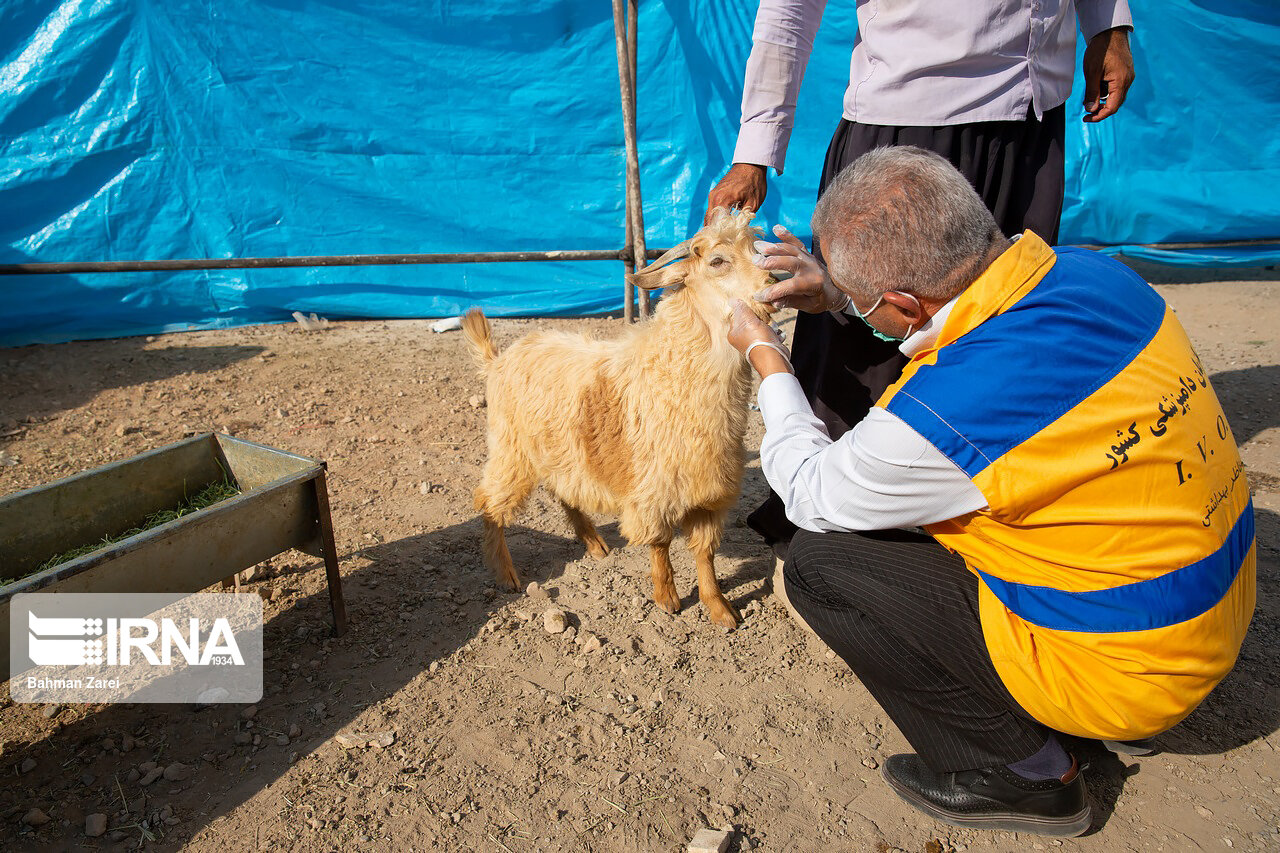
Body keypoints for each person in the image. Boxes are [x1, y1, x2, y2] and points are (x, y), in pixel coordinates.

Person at [726, 146, 1256, 837]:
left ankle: (1025, 772)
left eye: (864, 303)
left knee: (822, 565)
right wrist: (839, 296)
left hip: (1133, 673)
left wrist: (764, 352)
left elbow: (806, 487)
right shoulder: (1101, 277)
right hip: (1213, 617)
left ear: (903, 303)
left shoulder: (947, 414)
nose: (855, 309)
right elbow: (952, 315)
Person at [707, 0, 1136, 548]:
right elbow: (788, 11)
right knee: (870, 345)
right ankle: (844, 518)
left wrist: (1110, 23)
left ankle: (966, 501)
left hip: (1033, 109)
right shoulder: (1107, 286)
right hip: (916, 112)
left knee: (1000, 319)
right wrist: (754, 153)